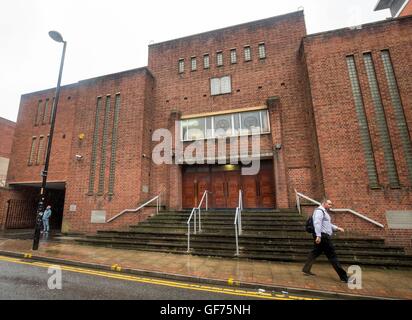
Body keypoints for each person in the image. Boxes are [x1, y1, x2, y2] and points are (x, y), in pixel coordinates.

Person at [302, 199, 349, 283]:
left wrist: (337, 228)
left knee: (315, 253)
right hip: (323, 237)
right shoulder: (320, 211)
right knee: (332, 256)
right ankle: (344, 277)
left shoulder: (324, 212)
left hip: (322, 236)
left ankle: (306, 269)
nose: (331, 205)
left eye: (331, 204)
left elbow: (327, 224)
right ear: (324, 203)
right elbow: (317, 223)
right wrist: (318, 236)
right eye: (329, 204)